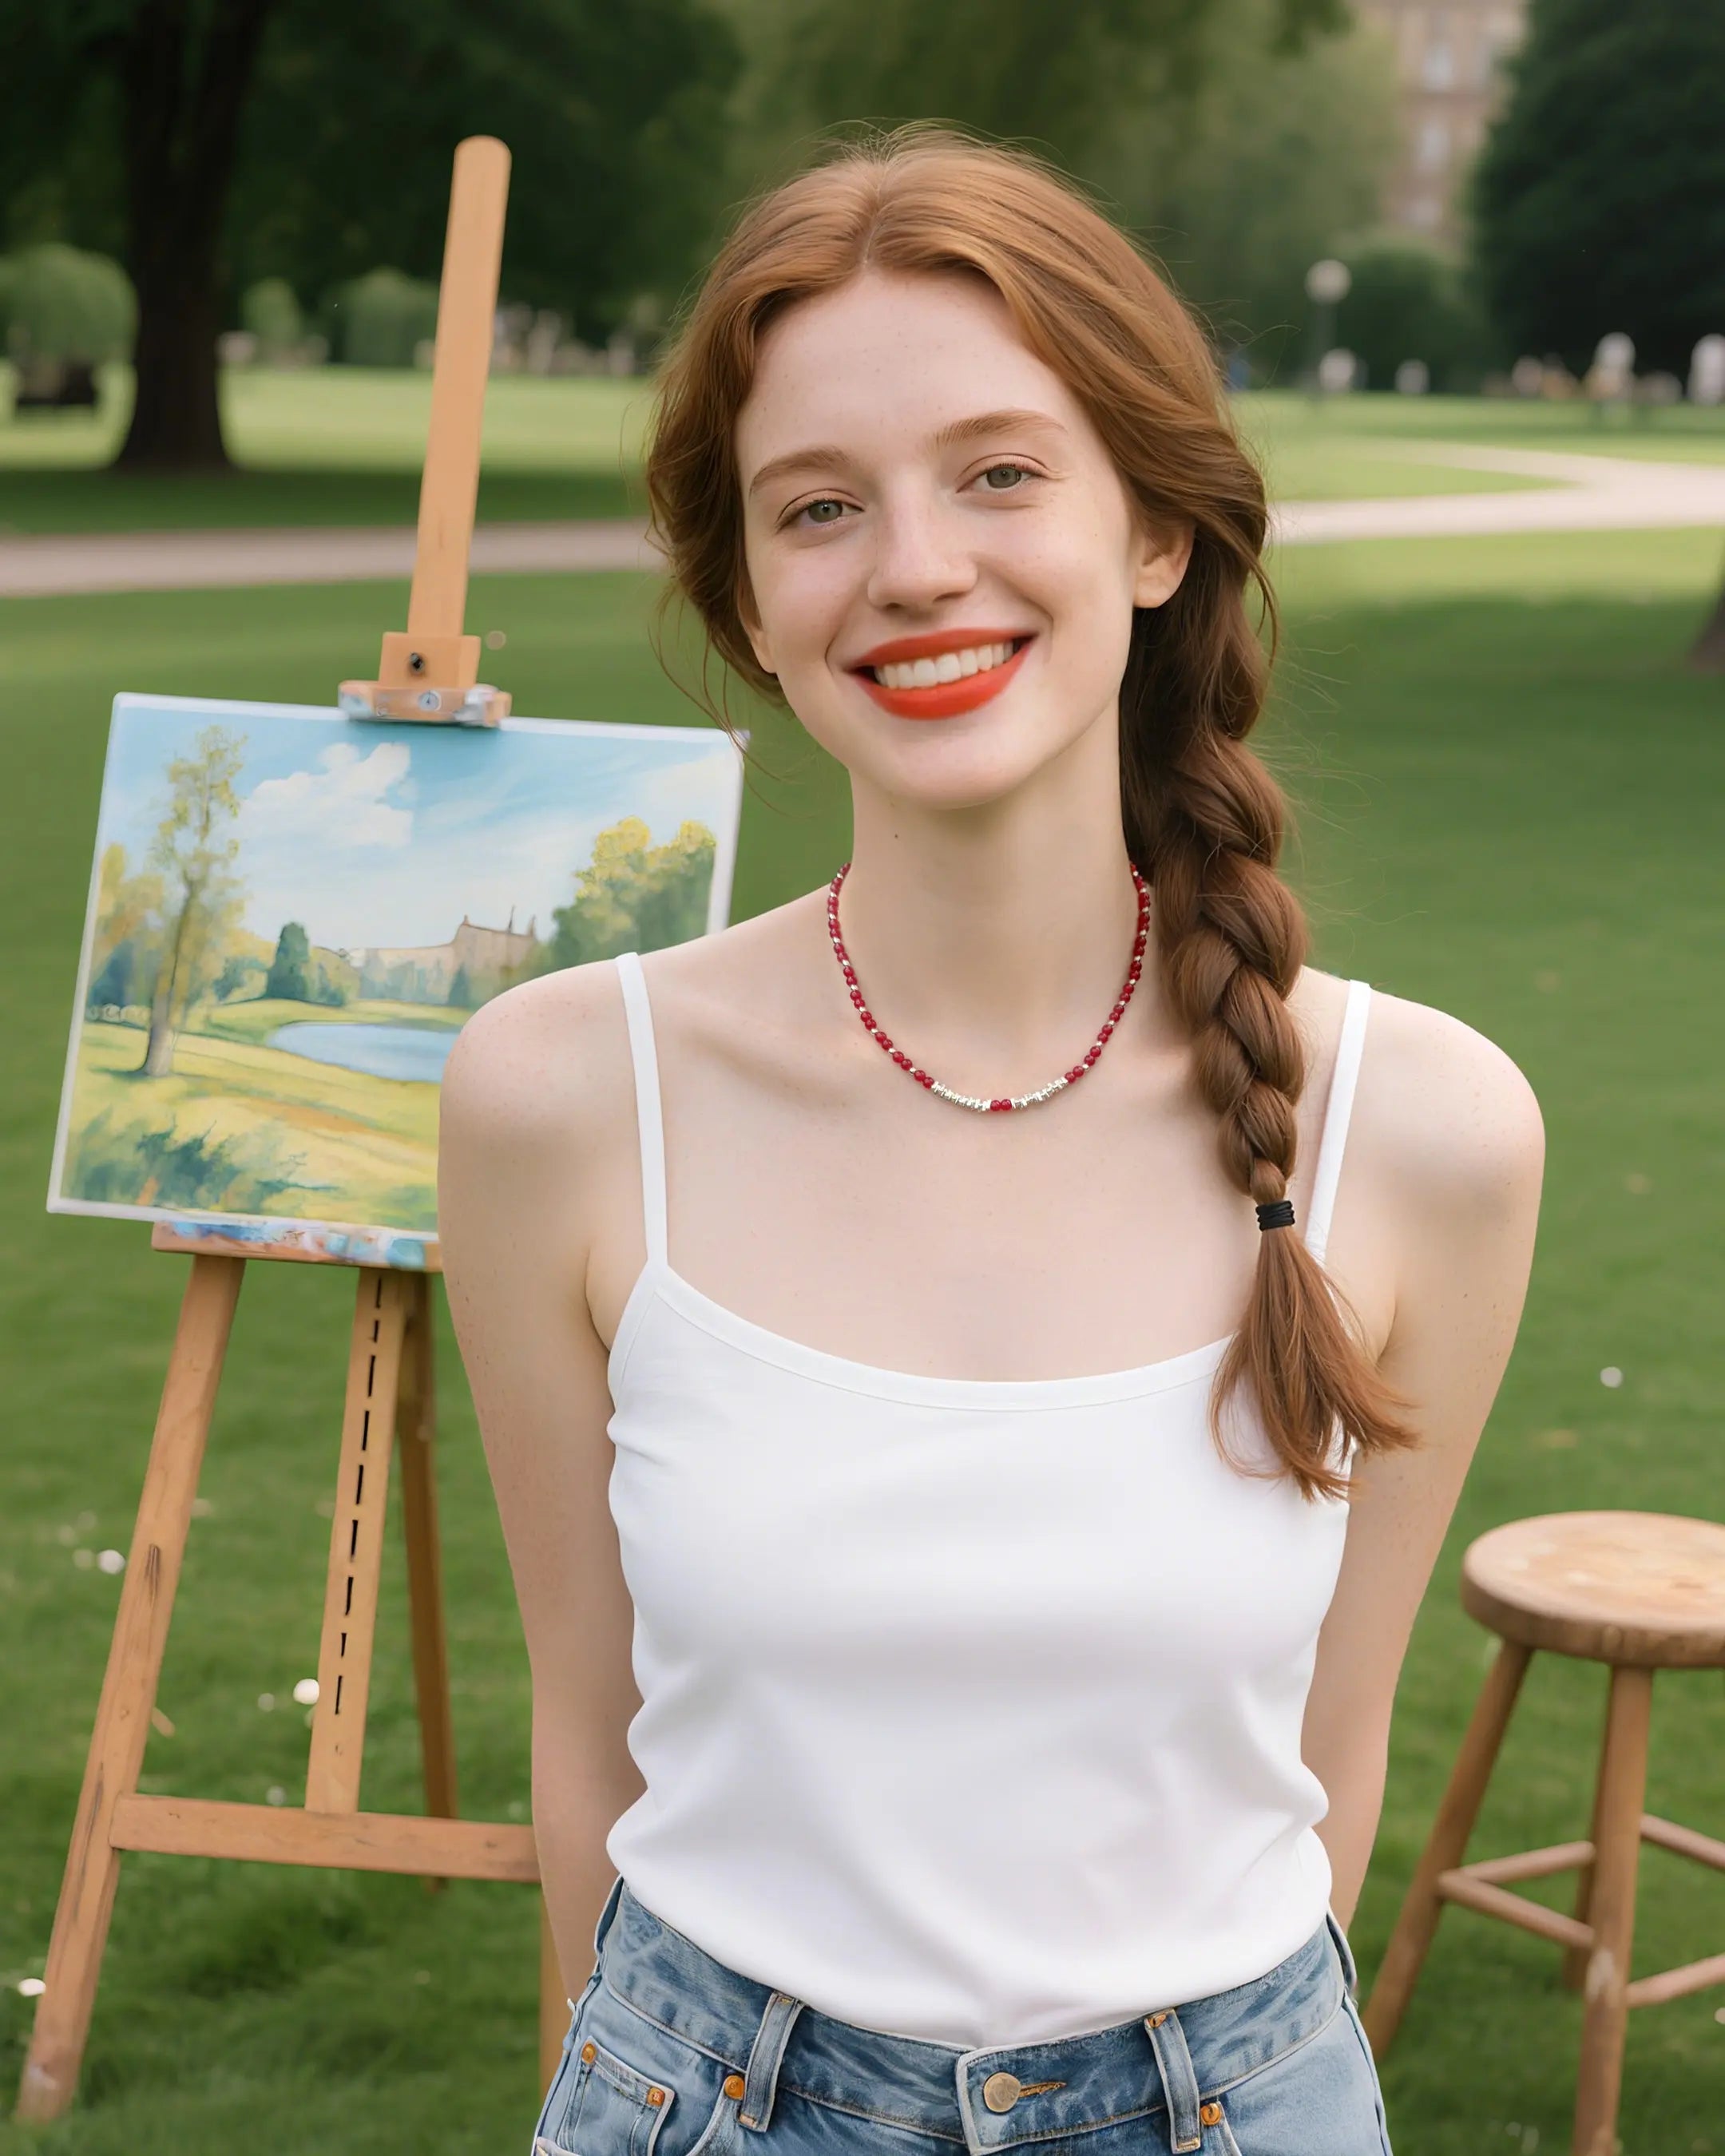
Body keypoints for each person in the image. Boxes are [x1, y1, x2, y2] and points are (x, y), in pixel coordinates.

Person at [437, 125, 1544, 2156]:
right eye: (819, 505)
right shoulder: (563, 1099)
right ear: (752, 599)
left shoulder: (1426, 1133)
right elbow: (587, 1748)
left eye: (1001, 472)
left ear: (1158, 528)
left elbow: (1327, 1760)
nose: (916, 566)